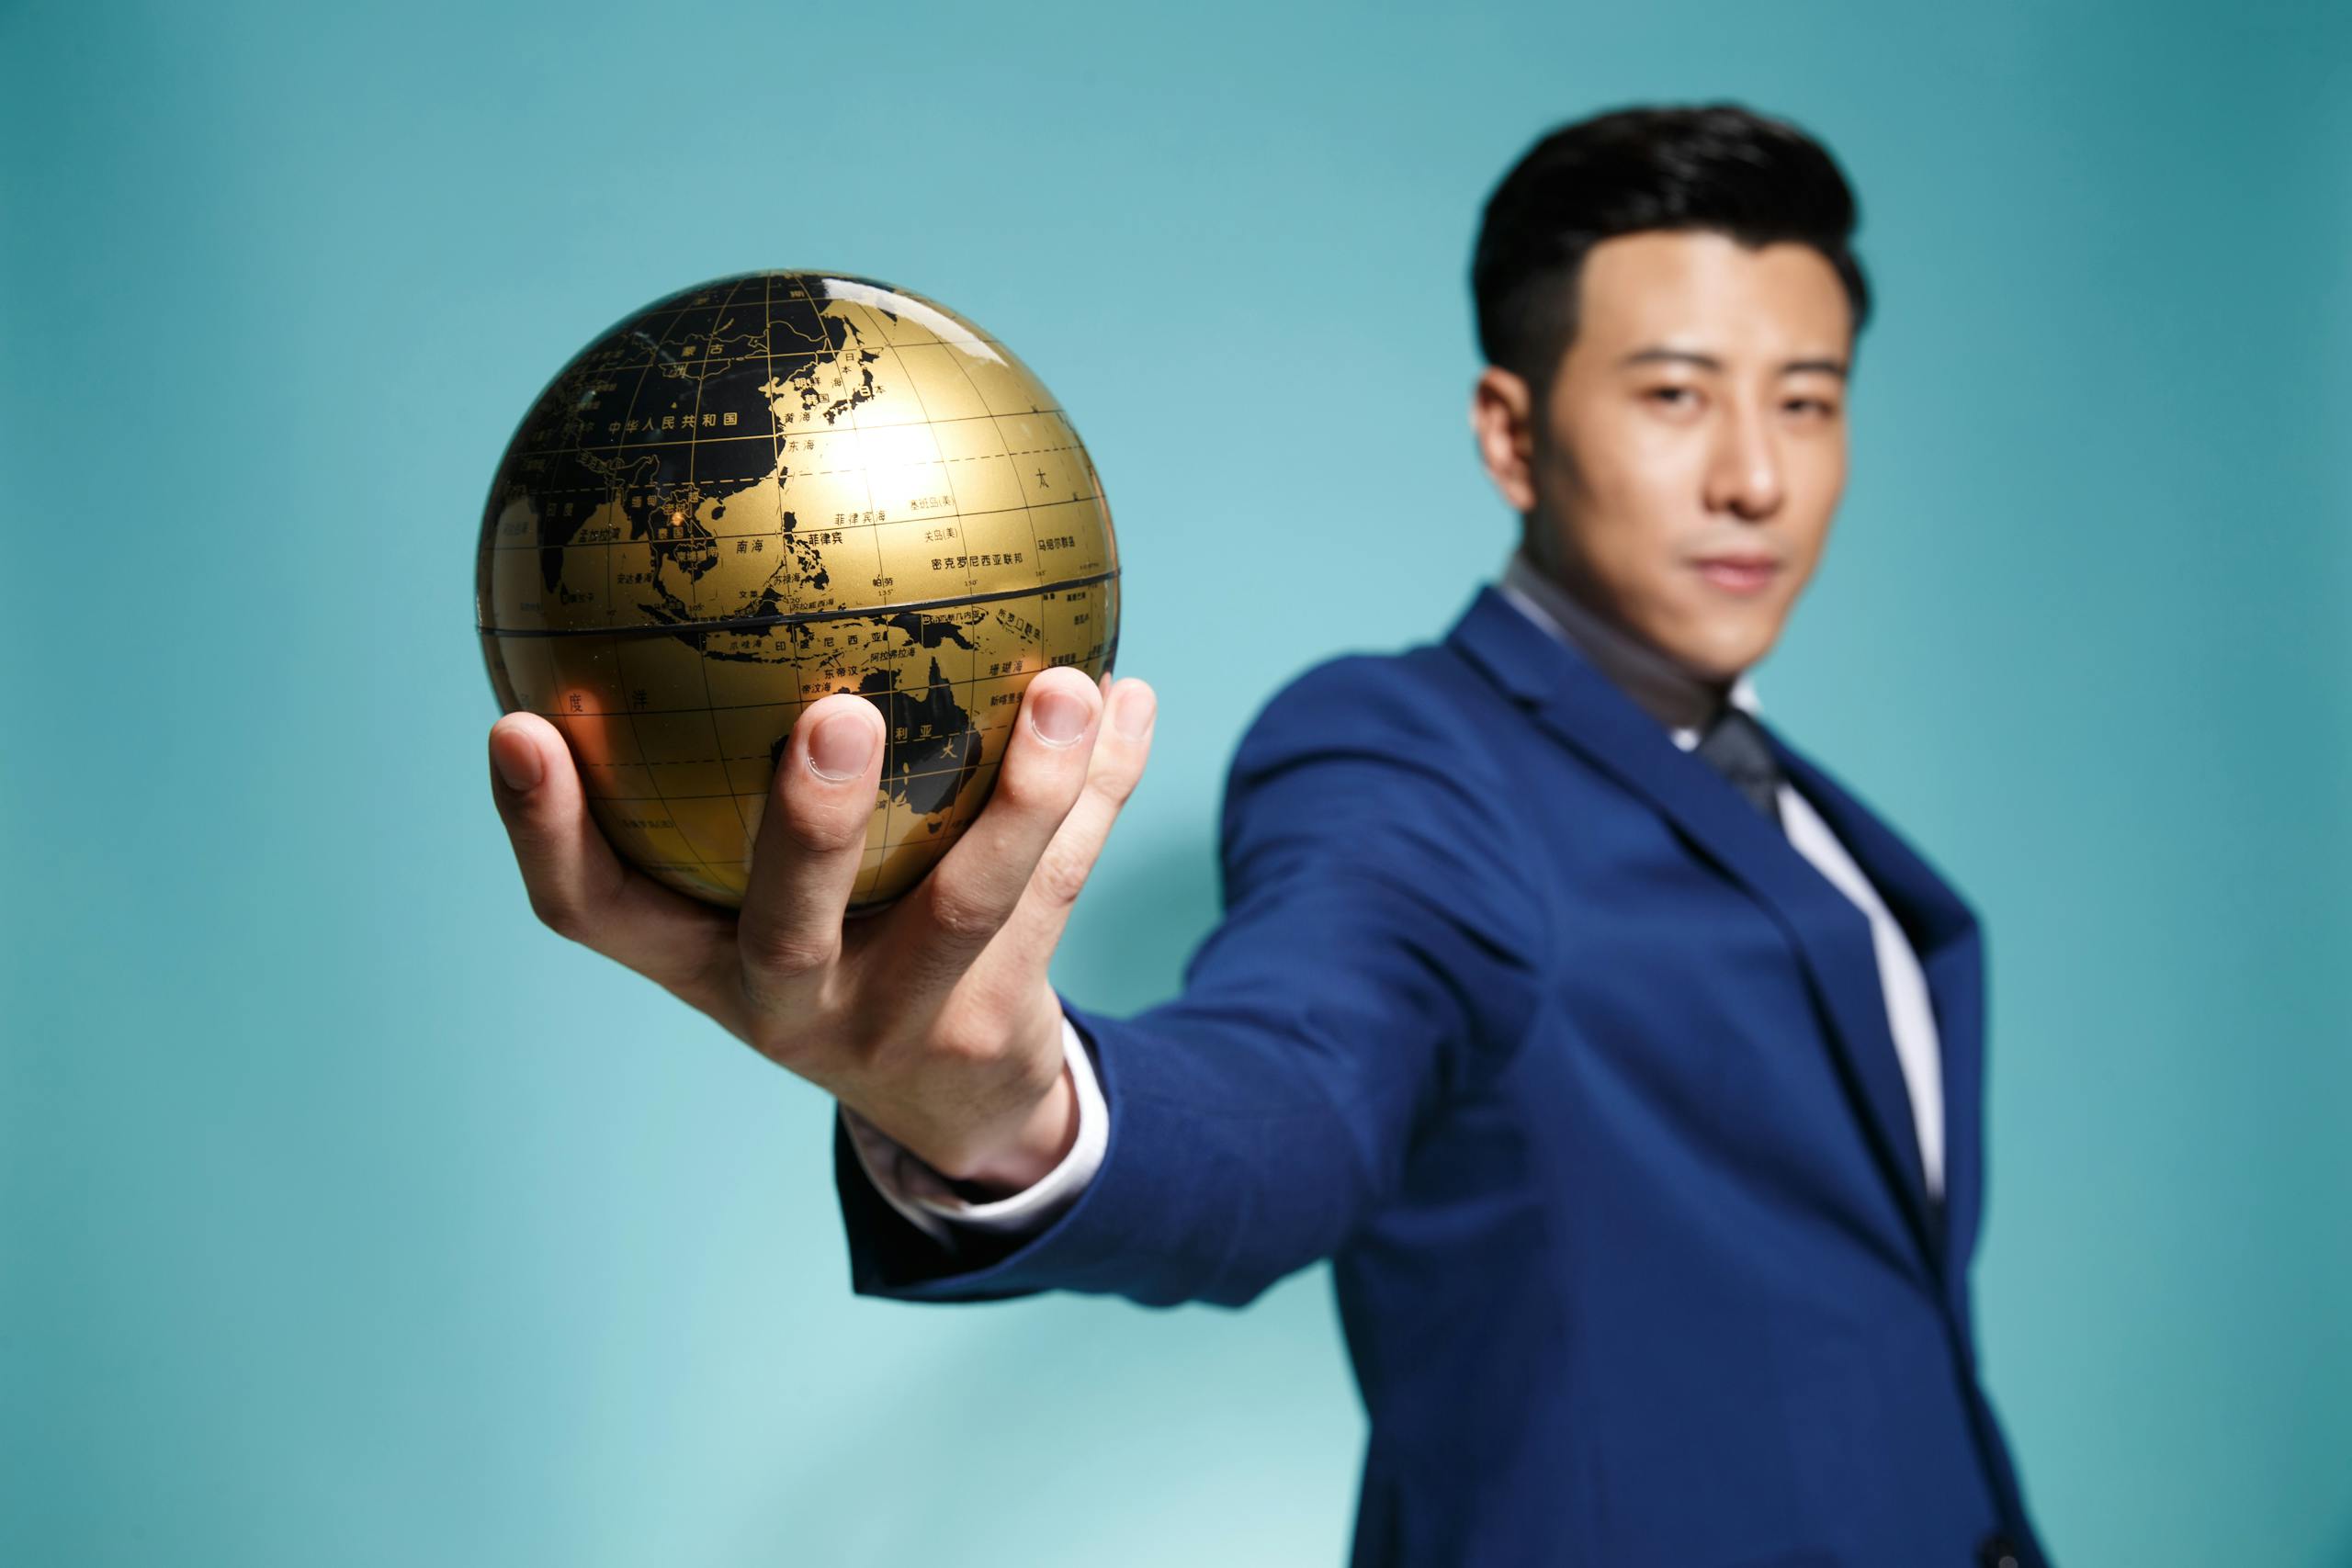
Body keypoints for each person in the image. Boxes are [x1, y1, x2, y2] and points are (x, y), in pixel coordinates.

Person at [487, 101, 2050, 1568]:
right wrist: (1012, 1110)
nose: (1755, 478)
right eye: (1674, 396)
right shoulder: (1411, 759)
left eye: (1808, 403)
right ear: (1511, 435)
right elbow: (1297, 1091)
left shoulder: (1817, 821)